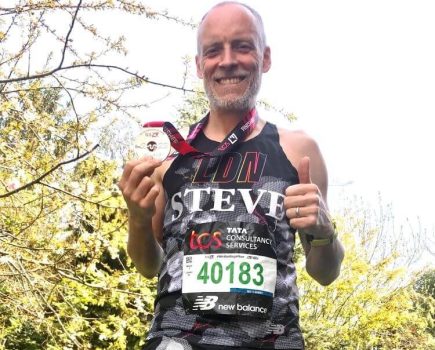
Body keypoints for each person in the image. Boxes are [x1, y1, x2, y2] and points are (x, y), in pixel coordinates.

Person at [118, 2, 345, 349]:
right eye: (213, 51)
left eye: (242, 46)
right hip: (176, 340)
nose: (227, 61)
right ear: (198, 65)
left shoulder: (300, 150)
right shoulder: (169, 156)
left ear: (265, 57)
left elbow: (325, 273)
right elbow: (150, 266)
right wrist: (137, 217)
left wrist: (324, 232)